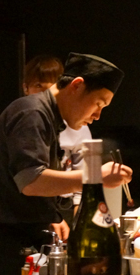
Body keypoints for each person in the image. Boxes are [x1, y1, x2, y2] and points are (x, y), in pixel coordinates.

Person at [0, 53, 132, 275]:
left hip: (13, 242)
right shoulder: (32, 112)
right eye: (99, 104)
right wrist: (95, 176)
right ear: (77, 86)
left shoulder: (50, 116)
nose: (98, 115)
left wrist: (51, 216)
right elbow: (31, 181)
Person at [23, 54, 92, 222]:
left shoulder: (77, 122)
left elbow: (83, 170)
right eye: (38, 86)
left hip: (65, 206)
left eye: (52, 85)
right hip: (30, 207)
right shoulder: (26, 118)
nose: (45, 93)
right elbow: (29, 178)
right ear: (25, 88)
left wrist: (78, 216)